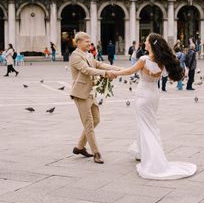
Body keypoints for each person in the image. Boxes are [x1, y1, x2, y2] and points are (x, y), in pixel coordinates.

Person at [111, 33, 196, 180]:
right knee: (150, 125)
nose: (144, 42)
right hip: (154, 95)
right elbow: (165, 76)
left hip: (143, 95)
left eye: (146, 40)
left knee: (145, 126)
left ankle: (153, 159)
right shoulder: (162, 62)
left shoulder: (144, 59)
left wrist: (113, 73)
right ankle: (142, 153)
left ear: (151, 44)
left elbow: (130, 71)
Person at [69, 32, 121, 164]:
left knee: (96, 120)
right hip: (81, 93)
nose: (89, 43)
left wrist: (120, 69)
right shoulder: (75, 56)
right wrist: (106, 73)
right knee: (89, 124)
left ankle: (79, 147)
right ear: (78, 42)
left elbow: (100, 64)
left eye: (89, 41)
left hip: (90, 92)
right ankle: (96, 153)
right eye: (87, 41)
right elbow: (87, 70)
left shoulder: (89, 55)